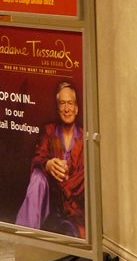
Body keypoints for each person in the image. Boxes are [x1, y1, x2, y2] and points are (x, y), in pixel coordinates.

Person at [15, 82, 85, 238]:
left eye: (70, 103)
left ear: (76, 108)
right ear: (57, 108)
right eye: (62, 103)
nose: (66, 108)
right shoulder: (49, 130)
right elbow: (37, 157)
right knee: (38, 177)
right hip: (50, 201)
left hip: (75, 207)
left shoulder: (84, 137)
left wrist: (67, 181)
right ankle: (24, 237)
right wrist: (47, 165)